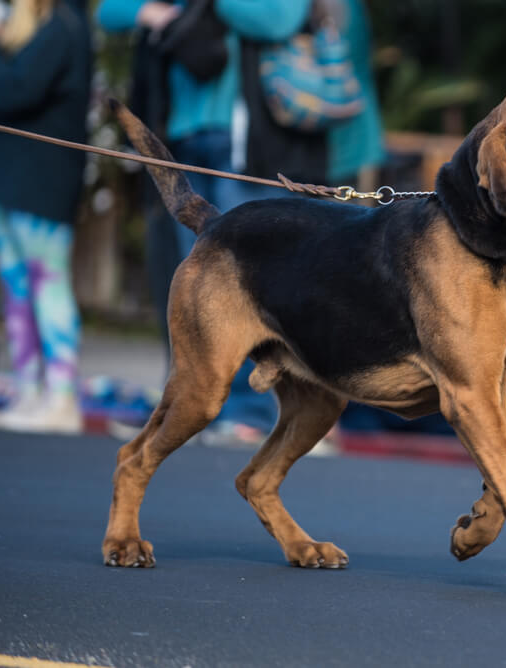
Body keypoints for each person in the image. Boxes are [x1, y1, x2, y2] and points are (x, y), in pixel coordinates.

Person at [98, 0, 384, 444]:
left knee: (255, 282)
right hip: (184, 136)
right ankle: (184, 405)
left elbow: (281, 18)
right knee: (194, 281)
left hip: (249, 143)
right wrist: (153, 14)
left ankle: (249, 411)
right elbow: (109, 13)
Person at [0, 0, 91, 433]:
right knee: (16, 290)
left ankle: (62, 398)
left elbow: (13, 91)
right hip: (6, 181)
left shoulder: (65, 24)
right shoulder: (37, 25)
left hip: (42, 182)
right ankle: (30, 391)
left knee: (47, 284)